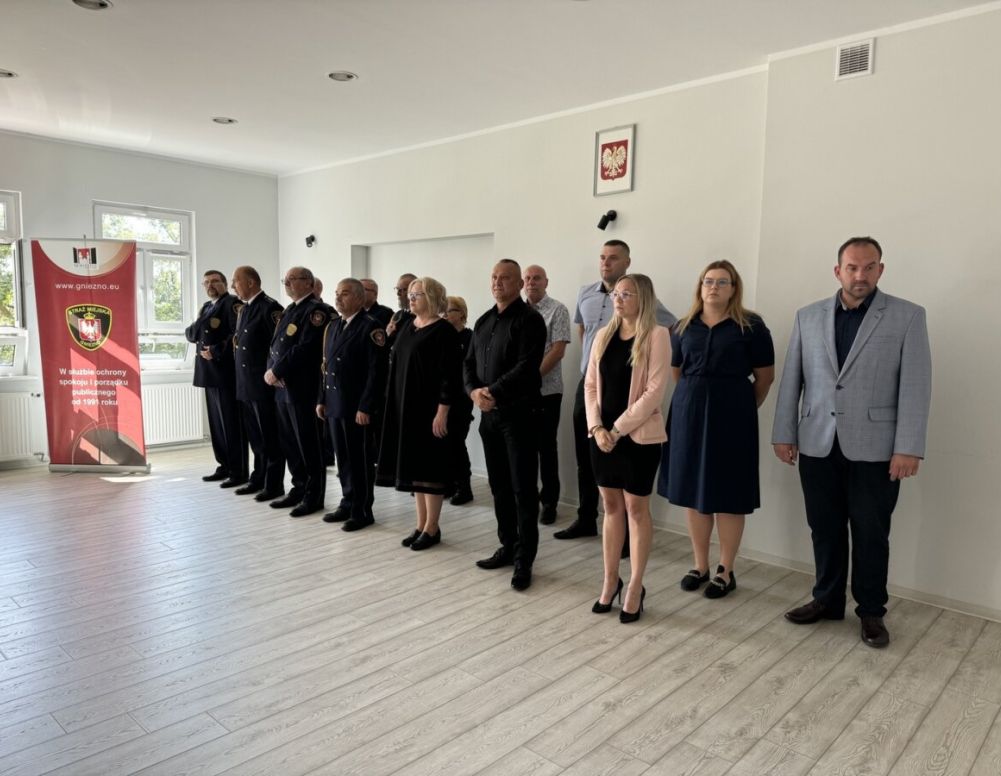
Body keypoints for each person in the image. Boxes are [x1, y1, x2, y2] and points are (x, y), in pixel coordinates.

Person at [772, 236, 931, 648]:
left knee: (871, 532)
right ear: (838, 270)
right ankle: (826, 600)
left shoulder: (908, 316)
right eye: (852, 267)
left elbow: (916, 386)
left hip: (877, 448)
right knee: (823, 528)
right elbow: (792, 379)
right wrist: (784, 433)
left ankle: (872, 611)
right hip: (817, 442)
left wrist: (908, 446)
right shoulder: (808, 317)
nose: (860, 275)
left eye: (869, 267)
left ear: (880, 269)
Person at [659, 260, 774, 598]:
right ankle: (700, 564)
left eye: (722, 282)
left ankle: (726, 569)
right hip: (688, 415)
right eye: (708, 281)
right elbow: (677, 372)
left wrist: (740, 408)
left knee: (729, 494)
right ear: (700, 286)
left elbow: (765, 377)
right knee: (693, 491)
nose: (714, 287)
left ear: (734, 288)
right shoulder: (683, 326)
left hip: (733, 416)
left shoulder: (752, 326)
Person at [557, 239, 676, 543]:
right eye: (602, 257)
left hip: (629, 401)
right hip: (592, 387)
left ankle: (625, 537)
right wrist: (598, 425)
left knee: (631, 491)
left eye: (612, 258)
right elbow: (585, 333)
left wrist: (616, 427)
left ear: (626, 262)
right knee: (587, 456)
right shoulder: (585, 294)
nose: (605, 263)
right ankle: (586, 517)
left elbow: (669, 328)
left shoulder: (646, 305)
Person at [585, 274, 670, 623]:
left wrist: (617, 430)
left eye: (626, 294)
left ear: (643, 298)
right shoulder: (602, 336)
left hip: (637, 438)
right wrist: (596, 427)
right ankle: (610, 580)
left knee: (636, 509)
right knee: (610, 507)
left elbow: (654, 392)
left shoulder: (657, 335)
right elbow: (590, 385)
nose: (618, 300)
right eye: (616, 294)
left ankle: (635, 585)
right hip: (602, 437)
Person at [466, 259, 546, 590]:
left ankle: (524, 558)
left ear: (519, 283)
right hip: (489, 418)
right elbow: (469, 363)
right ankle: (508, 544)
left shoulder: (530, 320)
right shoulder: (484, 320)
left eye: (506, 278)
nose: (498, 283)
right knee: (498, 486)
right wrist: (474, 392)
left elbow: (527, 368)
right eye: (494, 277)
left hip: (520, 417)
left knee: (523, 489)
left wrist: (493, 392)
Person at [377, 277, 462, 548]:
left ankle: (432, 528)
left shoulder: (444, 331)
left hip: (430, 410)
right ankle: (420, 524)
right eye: (410, 294)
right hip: (406, 407)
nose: (411, 298)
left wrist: (443, 411)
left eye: (417, 294)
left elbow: (450, 376)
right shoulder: (407, 325)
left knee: (430, 469)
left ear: (433, 297)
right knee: (414, 468)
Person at [317, 279, 387, 532]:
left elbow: (376, 372)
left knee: (360, 461)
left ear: (359, 298)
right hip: (335, 404)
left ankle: (362, 510)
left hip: (356, 407)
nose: (338, 298)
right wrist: (322, 399)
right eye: (337, 293)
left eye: (344, 294)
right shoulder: (334, 325)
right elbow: (325, 367)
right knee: (343, 459)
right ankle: (347, 502)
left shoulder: (370, 327)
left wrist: (366, 406)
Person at [265, 266, 332, 517]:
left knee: (308, 444)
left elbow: (306, 348)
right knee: (290, 442)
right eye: (286, 279)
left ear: (309, 283)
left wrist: (277, 370)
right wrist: (271, 371)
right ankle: (299, 488)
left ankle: (313, 496)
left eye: (293, 279)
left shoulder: (316, 311)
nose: (287, 283)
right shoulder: (290, 310)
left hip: (303, 389)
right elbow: (275, 347)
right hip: (283, 388)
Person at [185, 269, 247, 487]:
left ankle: (238, 471)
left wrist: (217, 350)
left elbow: (237, 335)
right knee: (217, 426)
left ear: (224, 284)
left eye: (215, 281)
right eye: (206, 283)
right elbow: (191, 334)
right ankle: (224, 465)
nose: (210, 286)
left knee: (231, 425)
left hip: (225, 373)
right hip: (208, 374)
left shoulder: (232, 304)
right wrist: (201, 322)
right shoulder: (206, 307)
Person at [230, 266, 286, 501]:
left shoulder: (270, 308)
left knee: (269, 437)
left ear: (251, 282)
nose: (233, 286)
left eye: (236, 281)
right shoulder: (244, 309)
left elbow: (279, 346)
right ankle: (258, 478)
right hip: (245, 384)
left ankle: (273, 484)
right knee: (255, 437)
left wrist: (274, 373)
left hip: (262, 385)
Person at [523, 264, 571, 525]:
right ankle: (527, 498)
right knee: (523, 449)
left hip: (547, 391)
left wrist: (529, 379)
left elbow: (558, 350)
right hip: (518, 393)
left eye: (537, 278)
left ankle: (549, 502)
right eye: (528, 278)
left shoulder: (558, 310)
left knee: (546, 448)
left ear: (546, 282)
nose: (531, 282)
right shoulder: (516, 311)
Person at [443, 295, 475, 506]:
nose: (445, 315)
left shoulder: (470, 337)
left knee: (456, 442)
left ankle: (464, 488)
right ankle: (448, 484)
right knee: (444, 442)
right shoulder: (442, 336)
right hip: (442, 398)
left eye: (449, 311)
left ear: (461, 314)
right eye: (443, 311)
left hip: (462, 399)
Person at [386, 272, 417, 338]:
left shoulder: (421, 316)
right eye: (397, 289)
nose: (398, 293)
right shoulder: (397, 315)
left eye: (403, 290)